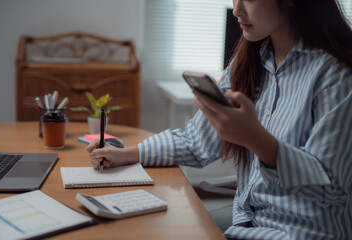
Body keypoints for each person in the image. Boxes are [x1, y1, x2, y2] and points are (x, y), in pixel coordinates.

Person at [87, 0, 352, 239]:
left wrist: (257, 140)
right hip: (246, 223)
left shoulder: (337, 75)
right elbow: (195, 141)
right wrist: (124, 154)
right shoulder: (249, 60)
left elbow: (332, 191)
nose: (237, 9)